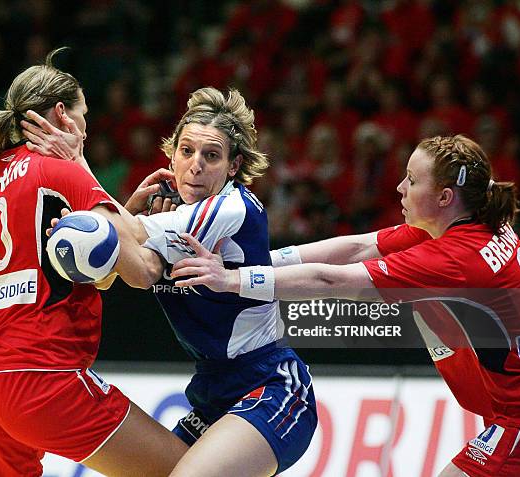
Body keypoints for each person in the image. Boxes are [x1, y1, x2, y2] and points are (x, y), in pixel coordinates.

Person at [171, 134, 520, 477]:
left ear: (445, 197)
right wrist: (254, 262)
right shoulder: (466, 226)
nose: (401, 188)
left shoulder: (453, 259)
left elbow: (332, 280)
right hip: (505, 408)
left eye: (413, 181)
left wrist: (233, 281)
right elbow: (358, 247)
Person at [25, 86, 318, 476]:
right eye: (186, 151)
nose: (195, 165)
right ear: (172, 155)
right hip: (214, 391)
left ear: (233, 166)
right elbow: (107, 279)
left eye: (211, 156)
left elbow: (132, 238)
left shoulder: (230, 207)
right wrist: (110, 221)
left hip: (272, 387)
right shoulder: (171, 212)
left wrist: (79, 163)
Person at [0, 48, 188, 477]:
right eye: (84, 113)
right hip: (44, 378)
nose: (87, 125)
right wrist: (153, 231)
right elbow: (137, 273)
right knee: (188, 471)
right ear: (63, 114)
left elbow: (90, 273)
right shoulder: (63, 170)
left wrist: (118, 212)